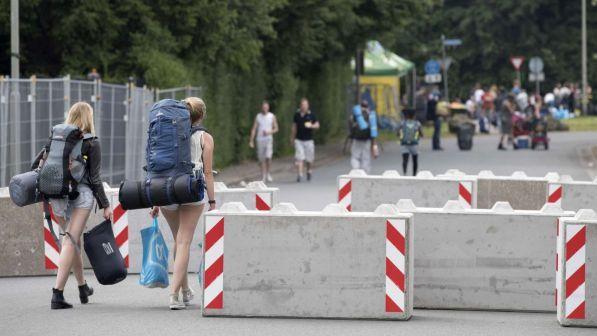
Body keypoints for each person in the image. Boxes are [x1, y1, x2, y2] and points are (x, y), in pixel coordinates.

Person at [31, 102, 111, 309]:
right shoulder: (91, 142)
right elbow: (94, 178)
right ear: (88, 118)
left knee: (73, 240)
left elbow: (36, 164)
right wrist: (105, 204)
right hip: (80, 196)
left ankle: (83, 286)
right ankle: (57, 294)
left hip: (56, 194)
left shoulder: (57, 138)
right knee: (71, 240)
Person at [150, 97, 216, 310]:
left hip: (165, 190)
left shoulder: (166, 135)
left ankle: (185, 292)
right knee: (184, 242)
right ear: (201, 116)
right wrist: (213, 201)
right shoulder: (205, 138)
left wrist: (155, 200)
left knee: (178, 241)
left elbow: (158, 165)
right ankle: (173, 295)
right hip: (191, 190)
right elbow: (207, 173)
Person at [249, 100, 279, 182]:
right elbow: (254, 129)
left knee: (268, 157)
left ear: (268, 107)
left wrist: (269, 132)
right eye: (263, 107)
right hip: (260, 139)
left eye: (266, 107)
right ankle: (263, 175)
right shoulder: (258, 116)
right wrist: (251, 140)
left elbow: (276, 128)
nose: (265, 108)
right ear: (262, 108)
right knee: (261, 159)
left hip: (268, 139)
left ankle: (268, 173)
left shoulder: (272, 116)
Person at [291, 98, 319, 182]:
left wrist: (311, 126)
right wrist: (292, 138)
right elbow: (294, 127)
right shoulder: (297, 115)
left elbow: (317, 125)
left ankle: (309, 171)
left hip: (309, 140)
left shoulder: (311, 115)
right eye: (303, 105)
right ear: (300, 106)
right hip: (299, 140)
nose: (304, 107)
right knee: (300, 157)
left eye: (305, 105)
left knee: (309, 159)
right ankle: (300, 174)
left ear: (308, 106)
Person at [349, 100, 379, 173]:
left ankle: (356, 170)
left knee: (355, 157)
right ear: (367, 106)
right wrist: (374, 146)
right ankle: (365, 173)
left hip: (356, 140)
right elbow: (373, 131)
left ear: (360, 106)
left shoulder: (355, 115)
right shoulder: (371, 115)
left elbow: (350, 127)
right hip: (367, 140)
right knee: (366, 158)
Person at [398, 109, 423, 176]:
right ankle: (414, 175)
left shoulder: (402, 123)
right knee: (415, 160)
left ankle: (405, 173)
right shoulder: (417, 123)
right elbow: (421, 134)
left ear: (406, 115)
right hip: (414, 144)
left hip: (404, 144)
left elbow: (398, 133)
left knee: (405, 160)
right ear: (414, 115)